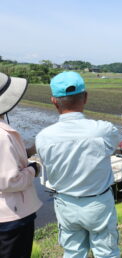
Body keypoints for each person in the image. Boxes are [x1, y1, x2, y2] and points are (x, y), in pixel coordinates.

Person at [35, 71, 120, 258]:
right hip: (98, 203)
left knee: (73, 252)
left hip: (65, 204)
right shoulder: (102, 130)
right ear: (86, 97)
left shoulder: (43, 137)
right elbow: (114, 145)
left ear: (53, 100)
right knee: (106, 252)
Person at [0, 72, 42, 258]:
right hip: (10, 217)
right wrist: (34, 168)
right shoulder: (2, 136)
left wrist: (28, 152)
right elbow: (11, 181)